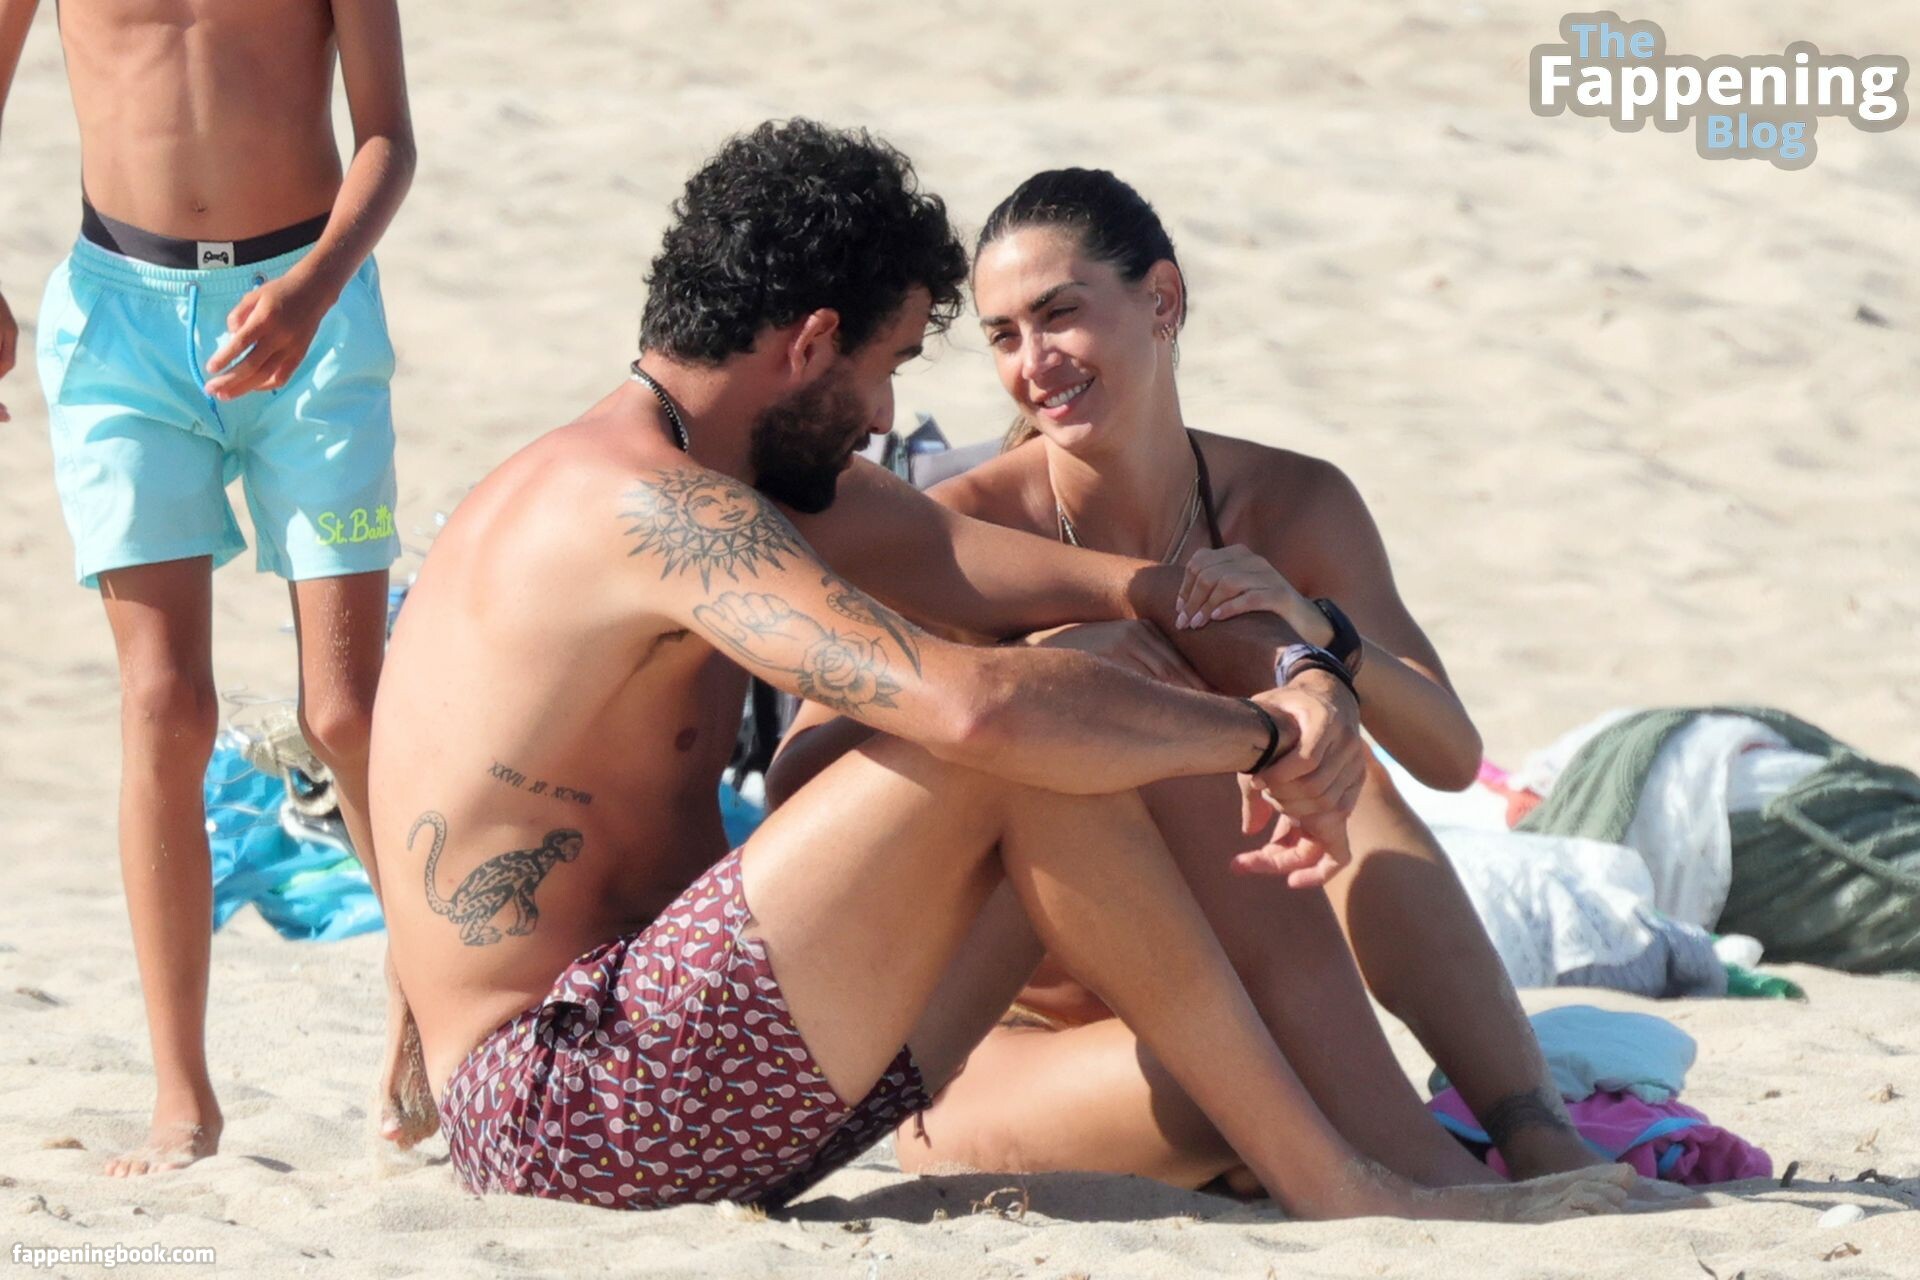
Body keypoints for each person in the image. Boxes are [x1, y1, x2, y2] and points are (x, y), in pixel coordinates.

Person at [366, 119, 1632, 1221]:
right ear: (813, 342)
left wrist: (1178, 602)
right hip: (577, 1103)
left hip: (687, 1058)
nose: (883, 418)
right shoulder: (646, 507)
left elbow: (954, 557)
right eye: (888, 370)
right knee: (1017, 733)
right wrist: (1260, 736)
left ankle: (1404, 1160)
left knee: (1085, 688)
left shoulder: (699, 472)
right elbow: (969, 711)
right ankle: (1345, 1184)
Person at [769, 167, 1659, 1199]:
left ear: (1162, 299)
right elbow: (800, 784)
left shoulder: (1289, 501)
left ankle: (1535, 1132)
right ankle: (1406, 1164)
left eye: (1061, 315)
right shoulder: (967, 532)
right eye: (1005, 335)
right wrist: (1048, 673)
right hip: (1009, 1054)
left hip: (1238, 992)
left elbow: (1452, 757)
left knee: (1349, 775)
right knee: (1262, 1069)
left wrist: (1321, 635)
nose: (1034, 361)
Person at [0, 0, 421, 1172]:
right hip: (120, 327)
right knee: (164, 703)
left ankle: (421, 1008)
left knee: (345, 710)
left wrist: (317, 286)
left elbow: (387, 136)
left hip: (315, 317)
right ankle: (182, 1095)